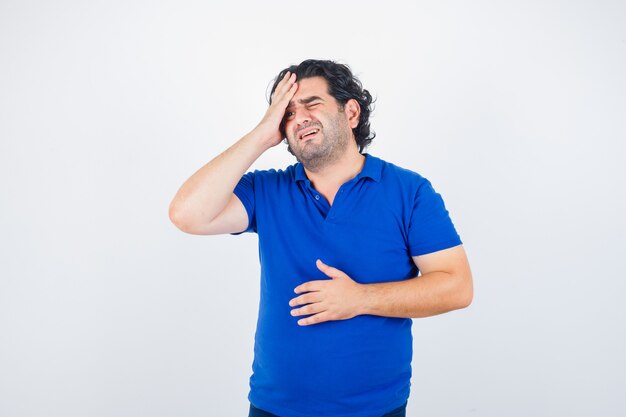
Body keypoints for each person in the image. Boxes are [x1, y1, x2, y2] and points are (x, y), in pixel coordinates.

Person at [169, 59, 473, 417]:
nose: (299, 118)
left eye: (311, 103)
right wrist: (261, 134)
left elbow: (457, 287)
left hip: (375, 409)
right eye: (287, 113)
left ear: (351, 112)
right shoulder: (267, 190)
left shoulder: (409, 191)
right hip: (274, 407)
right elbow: (187, 214)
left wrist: (359, 298)